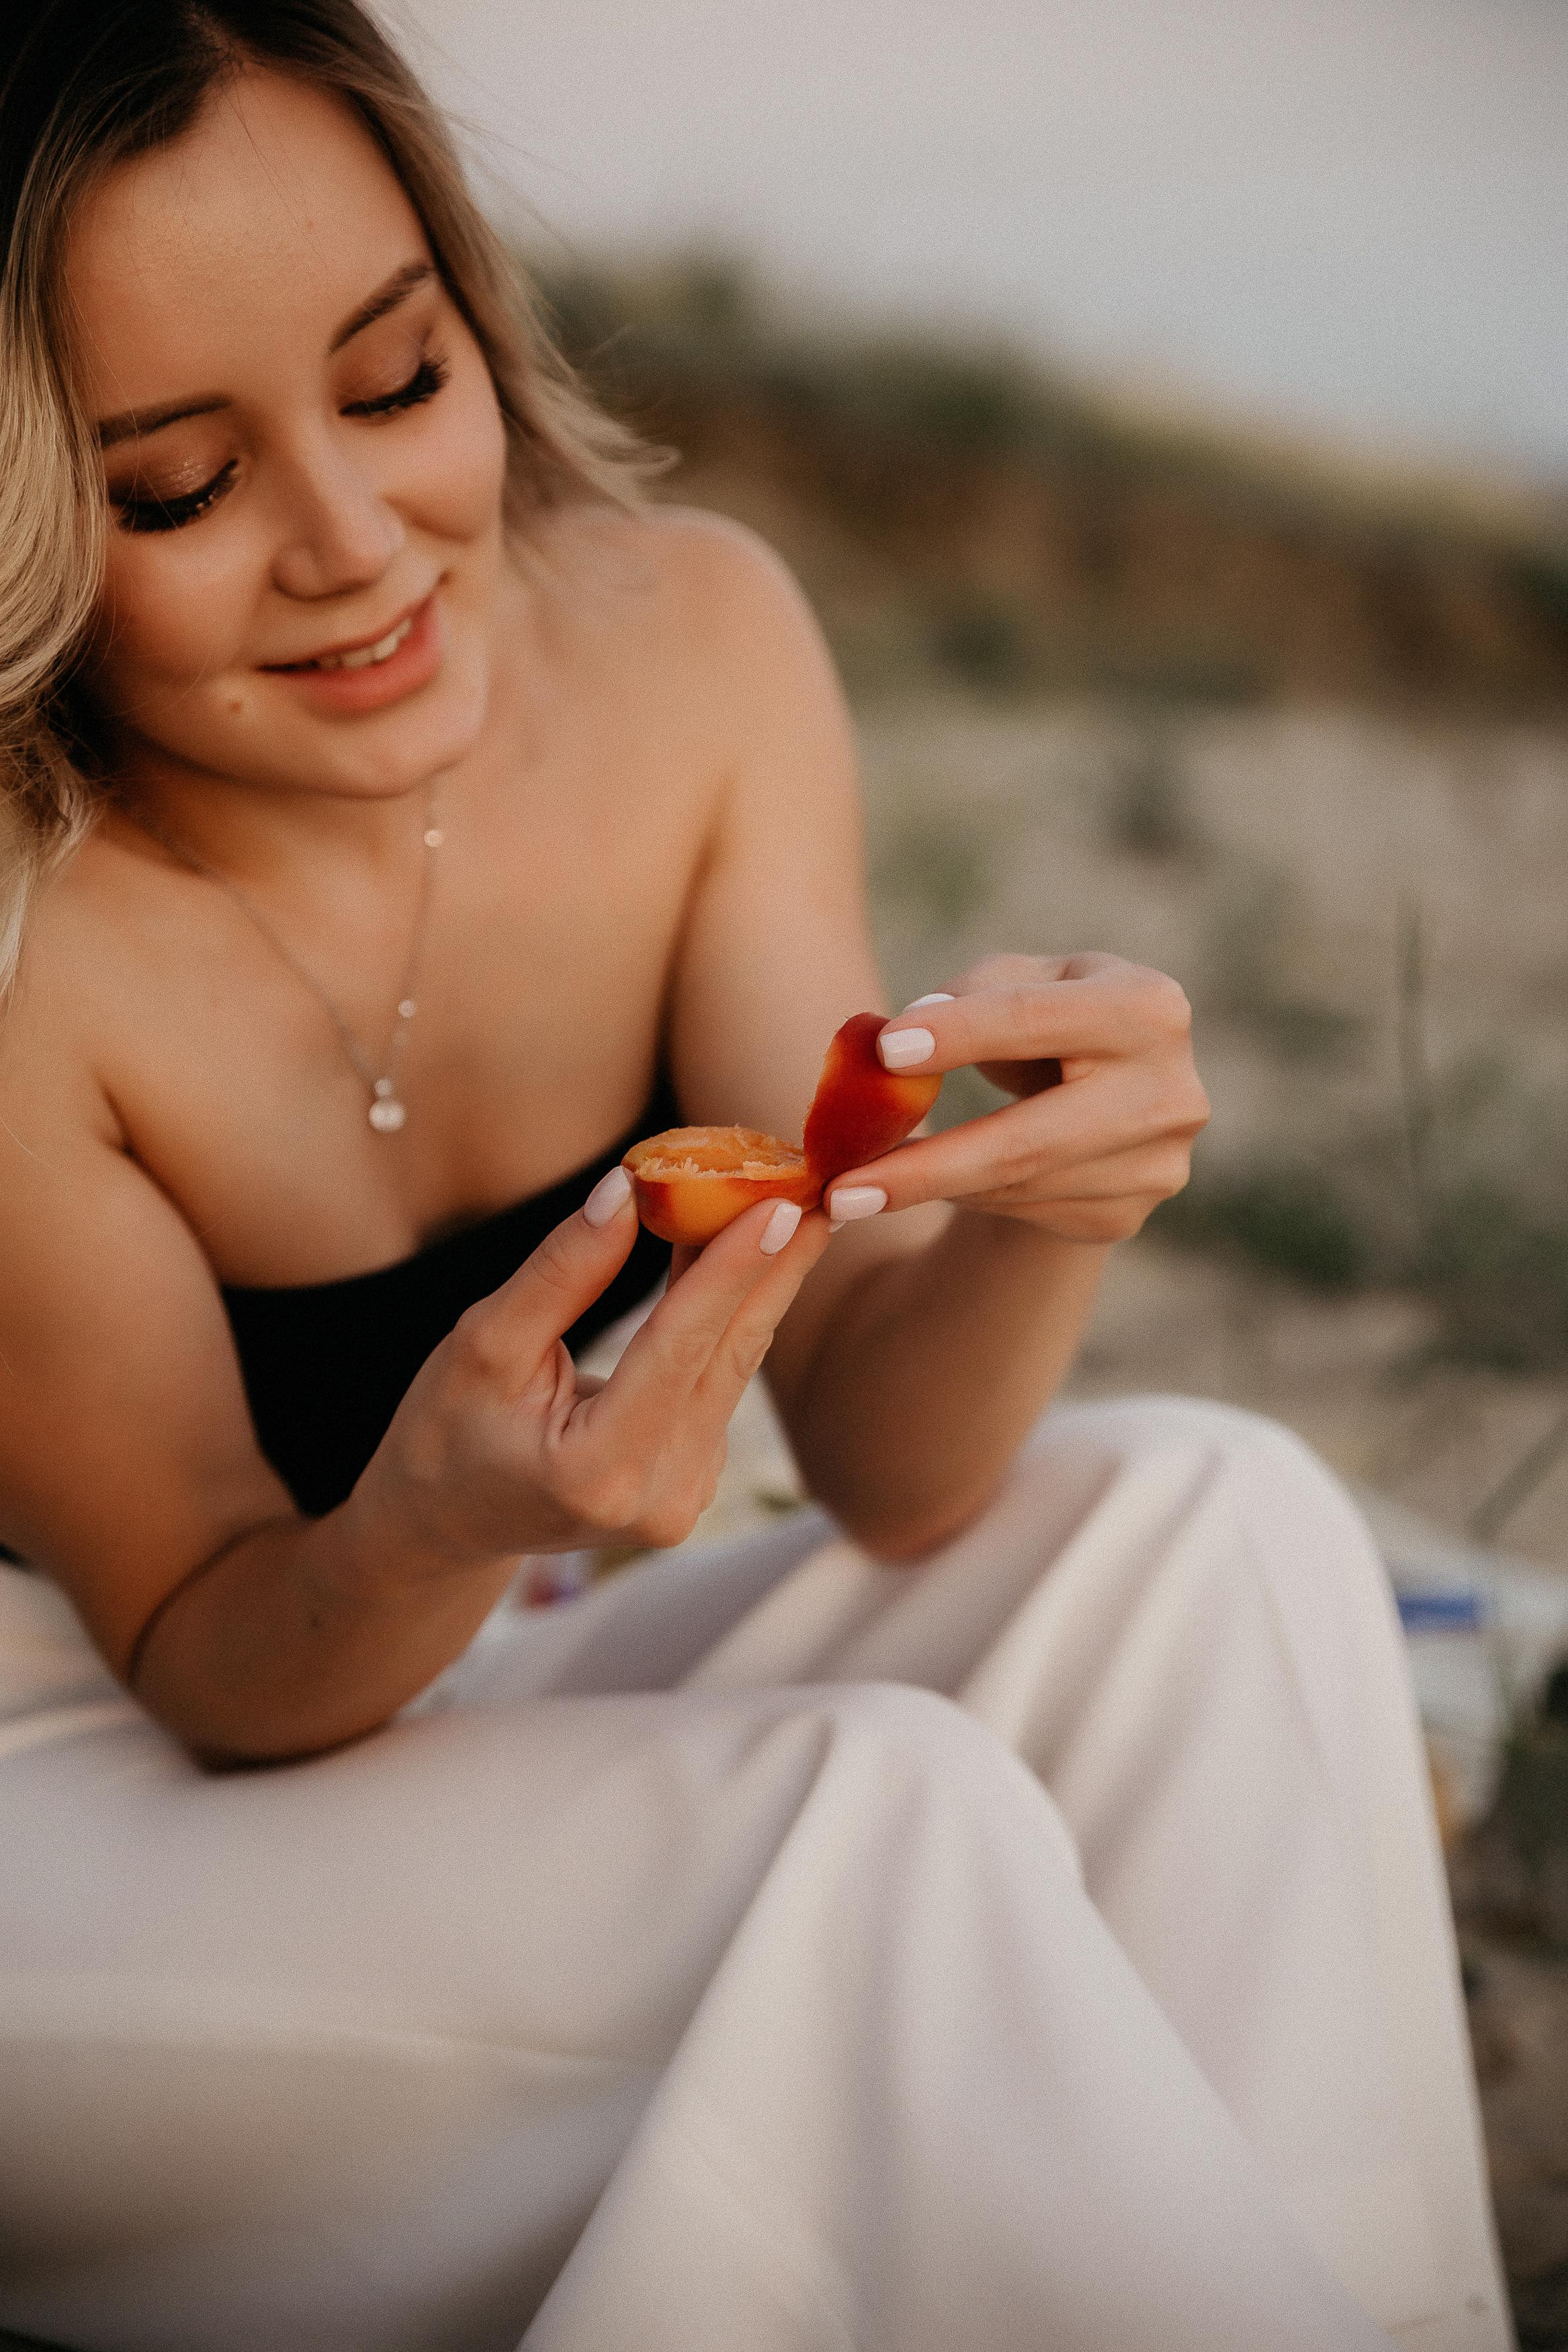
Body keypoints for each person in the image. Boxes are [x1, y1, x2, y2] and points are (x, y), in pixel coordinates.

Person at [0, 5, 1511, 2347]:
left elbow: (895, 1466)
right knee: (865, 1823)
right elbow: (208, 1641)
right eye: (179, 488)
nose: (353, 537)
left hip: (438, 1696)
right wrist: (432, 1518)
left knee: (1218, 1522)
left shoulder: (689, 647)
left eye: (397, 381)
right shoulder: (26, 924)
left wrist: (1033, 1208)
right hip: (74, 1812)